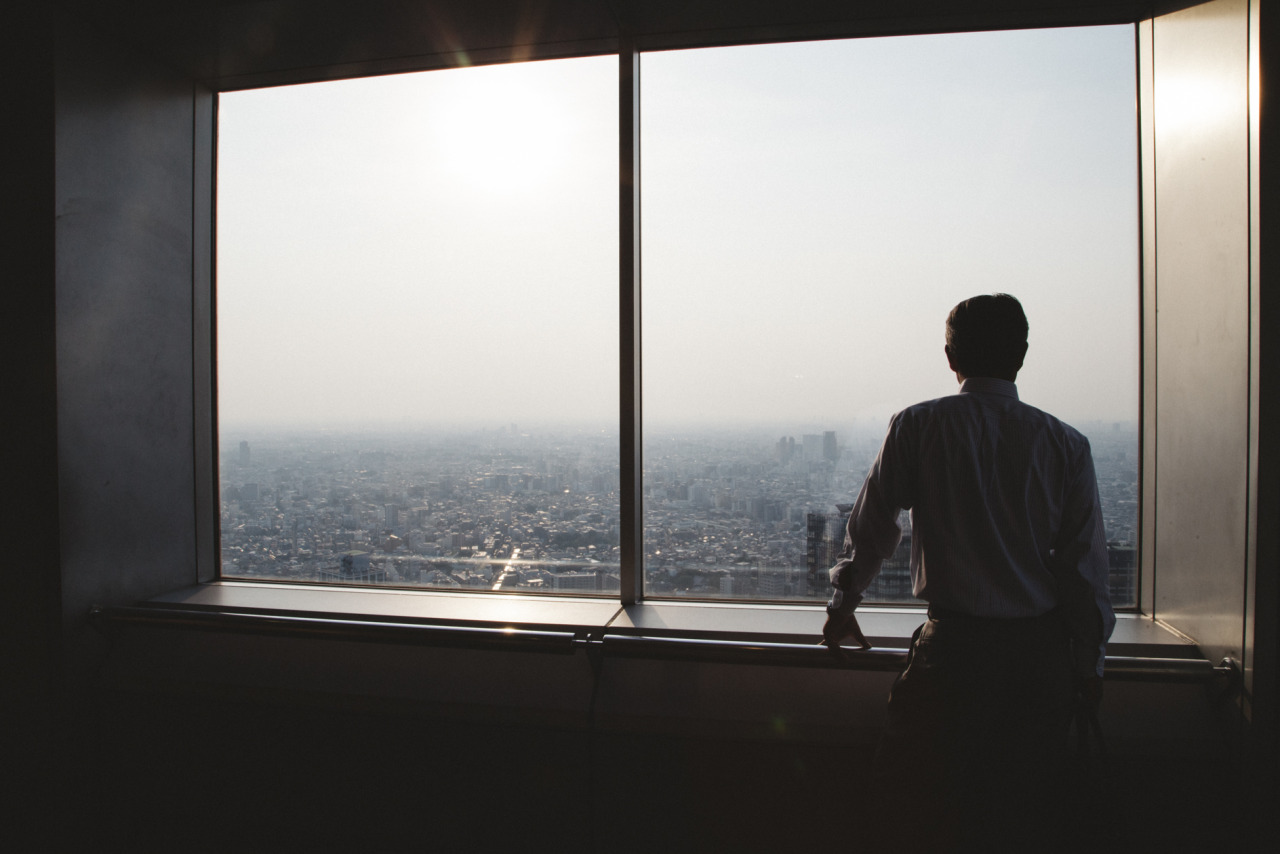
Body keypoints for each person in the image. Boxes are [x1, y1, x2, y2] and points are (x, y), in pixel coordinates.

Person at [821, 293, 1115, 851]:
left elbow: (873, 527)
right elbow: (1085, 572)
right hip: (1039, 659)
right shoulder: (1066, 445)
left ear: (949, 356)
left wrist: (843, 607)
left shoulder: (918, 426)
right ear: (1023, 355)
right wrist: (1090, 663)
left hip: (952, 652)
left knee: (917, 806)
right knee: (1019, 814)